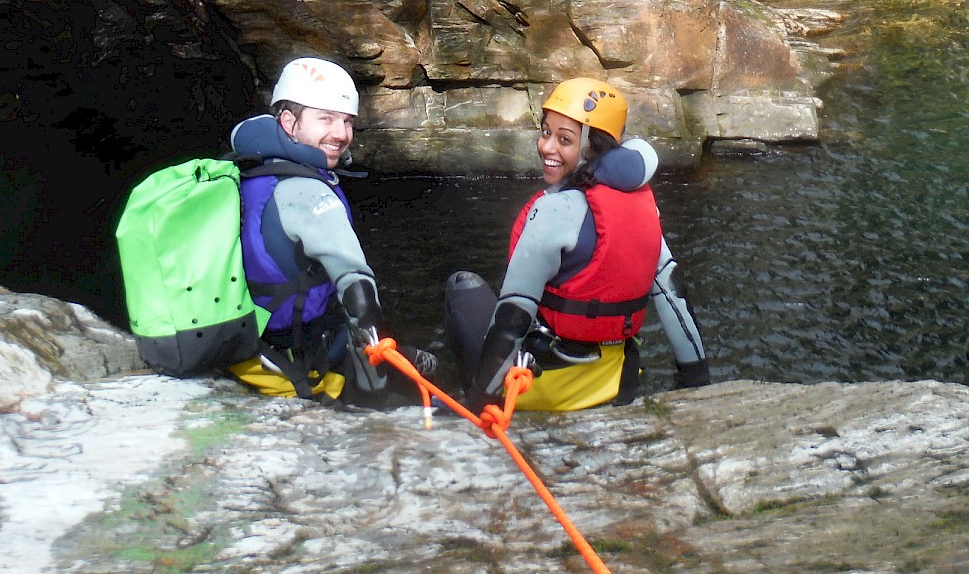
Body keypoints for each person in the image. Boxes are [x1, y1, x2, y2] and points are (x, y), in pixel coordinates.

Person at [444, 77, 710, 413]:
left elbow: (512, 319)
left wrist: (484, 405)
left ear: (593, 147)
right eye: (545, 132)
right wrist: (695, 381)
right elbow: (674, 297)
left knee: (462, 287)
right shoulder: (644, 206)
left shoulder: (553, 210)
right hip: (617, 383)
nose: (546, 147)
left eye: (564, 139)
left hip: (543, 390)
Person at [225, 56, 434, 409]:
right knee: (413, 387)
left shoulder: (251, 169)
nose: (341, 134)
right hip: (293, 365)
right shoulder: (310, 191)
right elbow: (358, 295)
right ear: (289, 122)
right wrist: (376, 393)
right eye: (326, 118)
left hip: (246, 347)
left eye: (347, 121)